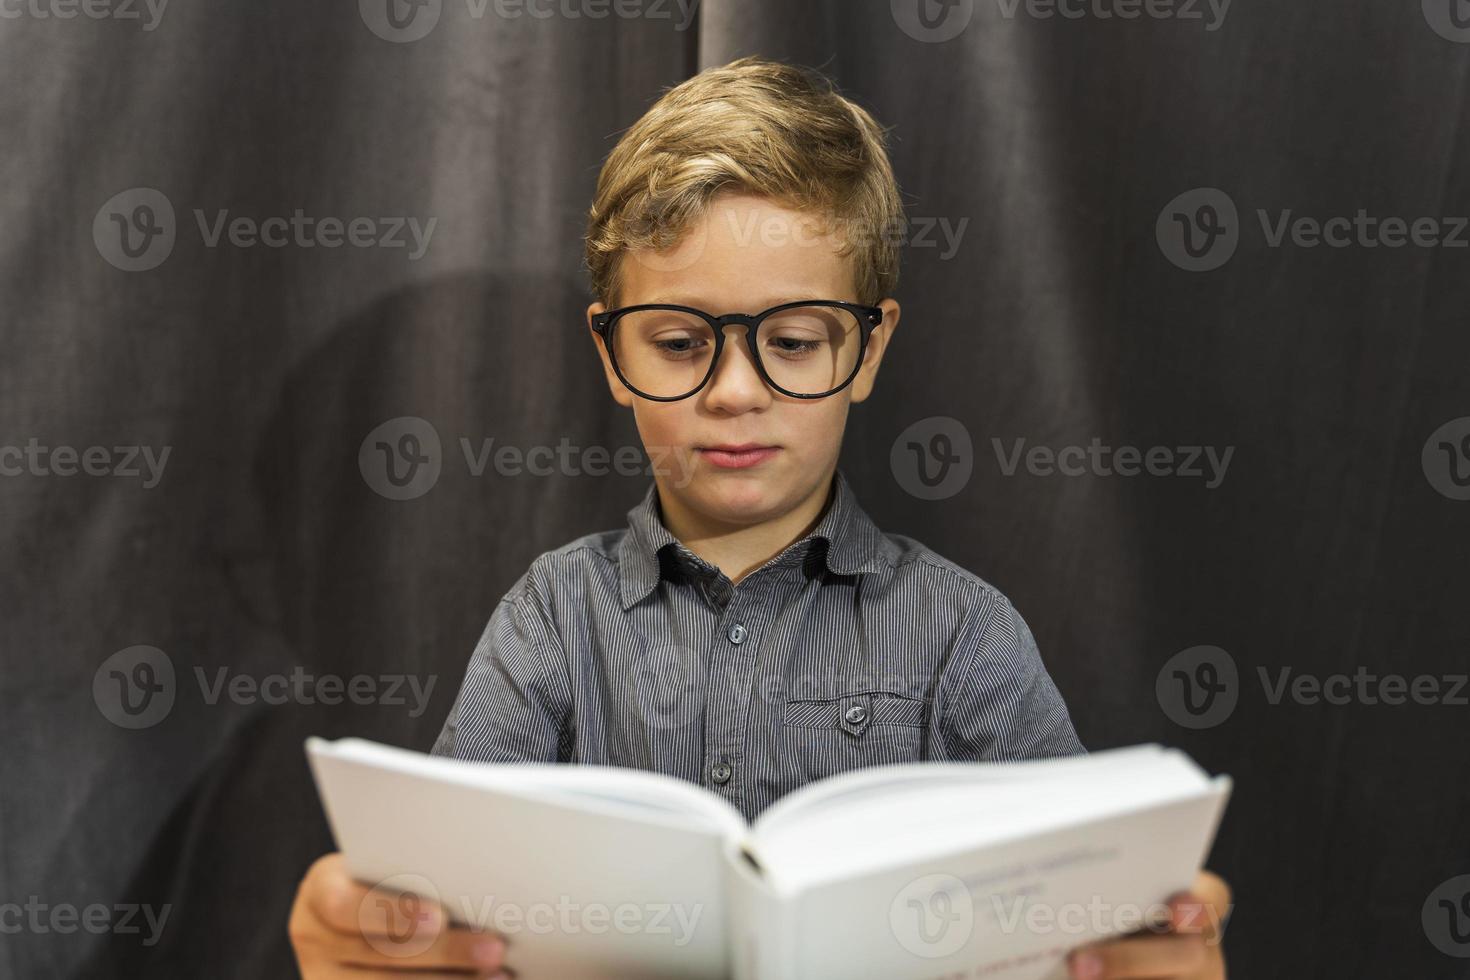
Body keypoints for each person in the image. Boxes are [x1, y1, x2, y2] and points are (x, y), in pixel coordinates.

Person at [289, 56, 1233, 979]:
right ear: (612, 355)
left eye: (790, 340)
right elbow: (447, 911)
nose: (736, 393)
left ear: (869, 350)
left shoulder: (962, 635)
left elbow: (1082, 908)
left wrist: (1141, 945)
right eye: (678, 342)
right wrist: (393, 940)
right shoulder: (550, 622)